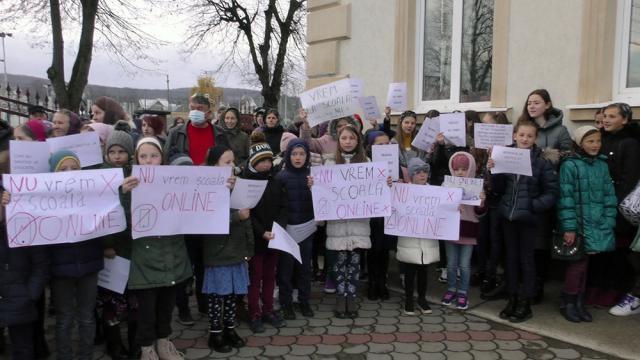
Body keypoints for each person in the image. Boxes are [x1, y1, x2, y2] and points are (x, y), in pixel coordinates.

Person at [121, 137, 193, 360]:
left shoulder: (175, 183)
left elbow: (199, 207)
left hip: (172, 256)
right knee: (146, 311)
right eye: (143, 156)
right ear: (136, 159)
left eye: (154, 156)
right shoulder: (128, 185)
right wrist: (123, 195)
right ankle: (146, 349)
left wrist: (222, 189)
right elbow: (118, 222)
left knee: (166, 307)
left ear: (162, 159)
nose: (149, 161)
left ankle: (164, 343)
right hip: (145, 260)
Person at [489, 121, 558, 323]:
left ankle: (525, 302)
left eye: (529, 136)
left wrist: (532, 206)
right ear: (515, 136)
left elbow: (552, 193)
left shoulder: (542, 162)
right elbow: (499, 188)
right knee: (510, 260)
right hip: (508, 218)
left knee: (526, 261)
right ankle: (512, 298)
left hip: (528, 220)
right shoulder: (506, 156)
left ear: (535, 139)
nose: (525, 139)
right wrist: (494, 170)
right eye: (521, 135)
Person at [47, 150, 104, 359]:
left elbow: (107, 217)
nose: (69, 173)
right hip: (60, 268)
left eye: (74, 168)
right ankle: (64, 355)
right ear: (53, 173)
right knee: (64, 318)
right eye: (63, 169)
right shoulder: (45, 201)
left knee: (87, 316)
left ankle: (86, 355)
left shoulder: (92, 196)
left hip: (89, 265)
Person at [557, 126, 617, 322]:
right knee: (577, 265)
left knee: (585, 266)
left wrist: (608, 221)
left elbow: (609, 196)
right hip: (578, 225)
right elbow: (566, 200)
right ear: (580, 143)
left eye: (598, 141)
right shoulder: (570, 165)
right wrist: (569, 228)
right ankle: (568, 301)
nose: (595, 145)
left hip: (596, 224)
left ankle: (579, 301)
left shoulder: (602, 165)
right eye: (590, 141)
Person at [201, 146, 252, 353]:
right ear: (214, 165)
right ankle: (215, 332)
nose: (232, 166)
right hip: (218, 252)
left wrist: (249, 247)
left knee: (232, 295)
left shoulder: (238, 185)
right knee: (217, 296)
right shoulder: (206, 189)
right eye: (226, 162)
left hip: (236, 250)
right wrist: (235, 217)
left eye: (233, 162)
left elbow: (247, 217)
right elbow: (208, 219)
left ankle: (230, 328)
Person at [595, 103, 640, 314]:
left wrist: (612, 207)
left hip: (617, 210)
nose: (606, 120)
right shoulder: (601, 139)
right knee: (601, 253)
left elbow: (628, 180)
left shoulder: (630, 144)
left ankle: (615, 292)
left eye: (612, 116)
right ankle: (599, 289)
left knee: (617, 254)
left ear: (625, 119)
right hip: (600, 206)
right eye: (604, 116)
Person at [242, 133, 288, 333]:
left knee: (270, 275)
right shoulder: (246, 182)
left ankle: (268, 309)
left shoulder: (275, 181)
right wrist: (262, 232)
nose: (266, 165)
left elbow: (283, 207)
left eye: (269, 160)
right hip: (256, 240)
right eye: (261, 161)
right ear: (253, 162)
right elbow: (247, 214)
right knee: (255, 277)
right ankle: (254, 313)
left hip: (274, 237)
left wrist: (277, 228)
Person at [99, 130, 138, 359]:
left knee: (134, 299)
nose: (116, 156)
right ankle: (114, 344)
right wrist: (106, 244)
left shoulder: (136, 174)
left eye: (121, 151)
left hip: (132, 247)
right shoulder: (101, 176)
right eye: (112, 151)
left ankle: (135, 342)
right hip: (113, 248)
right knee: (111, 300)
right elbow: (101, 214)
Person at [275, 139, 316, 320]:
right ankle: (286, 303)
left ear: (307, 156)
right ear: (288, 155)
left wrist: (315, 188)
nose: (298, 158)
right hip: (286, 231)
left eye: (302, 154)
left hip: (307, 229)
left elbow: (322, 201)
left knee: (305, 268)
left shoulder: (312, 177)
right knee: (285, 269)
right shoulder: (280, 177)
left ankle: (304, 300)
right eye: (294, 154)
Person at [441, 152, 486, 311]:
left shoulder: (476, 187)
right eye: (457, 168)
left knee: (465, 265)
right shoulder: (446, 186)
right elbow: (440, 207)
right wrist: (451, 204)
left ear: (471, 169)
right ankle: (451, 289)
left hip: (469, 230)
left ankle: (462, 292)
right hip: (451, 229)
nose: (460, 172)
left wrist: (481, 202)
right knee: (451, 264)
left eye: (464, 169)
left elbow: (481, 213)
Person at [396, 157, 439, 315]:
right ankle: (408, 299)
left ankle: (422, 298)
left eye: (425, 172)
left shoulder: (434, 192)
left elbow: (443, 209)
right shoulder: (403, 191)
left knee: (423, 272)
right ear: (411, 174)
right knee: (409, 271)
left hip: (426, 240)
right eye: (418, 172)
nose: (422, 175)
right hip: (409, 239)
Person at [364, 131, 397, 301]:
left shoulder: (394, 163)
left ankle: (382, 282)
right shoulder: (365, 163)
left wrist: (393, 183)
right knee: (372, 250)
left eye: (387, 144)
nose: (384, 148)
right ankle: (372, 283)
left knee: (384, 250)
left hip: (387, 212)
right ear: (371, 147)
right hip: (372, 212)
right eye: (380, 145)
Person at [164, 94, 230, 165]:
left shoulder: (220, 133)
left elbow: (228, 158)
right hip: (183, 175)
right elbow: (166, 158)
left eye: (200, 109)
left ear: (209, 113)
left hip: (213, 175)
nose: (195, 112)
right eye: (192, 108)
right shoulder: (175, 133)